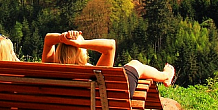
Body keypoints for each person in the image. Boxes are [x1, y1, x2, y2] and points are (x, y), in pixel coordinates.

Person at [42, 30, 175, 97]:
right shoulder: (92, 73)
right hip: (107, 104)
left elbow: (48, 39)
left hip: (76, 108)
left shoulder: (50, 68)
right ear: (81, 51)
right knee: (136, 64)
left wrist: (62, 37)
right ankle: (165, 76)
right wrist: (81, 43)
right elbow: (111, 45)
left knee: (132, 67)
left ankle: (164, 76)